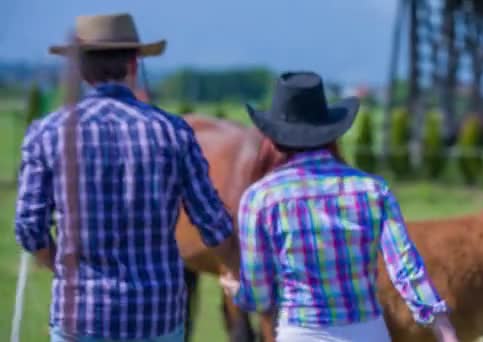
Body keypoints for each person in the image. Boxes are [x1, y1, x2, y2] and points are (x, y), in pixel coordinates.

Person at [14, 13, 239, 341]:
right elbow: (212, 222)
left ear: (80, 69)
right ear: (134, 63)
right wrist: (235, 268)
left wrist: (62, 268)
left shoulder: (47, 133)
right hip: (157, 318)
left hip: (81, 317)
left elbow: (29, 229)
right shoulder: (172, 131)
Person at [219, 71, 459, 342]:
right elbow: (405, 267)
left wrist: (239, 290)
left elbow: (260, 295)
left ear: (275, 138)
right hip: (368, 331)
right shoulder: (373, 190)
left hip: (301, 332)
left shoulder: (260, 198)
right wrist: (444, 328)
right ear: (331, 132)